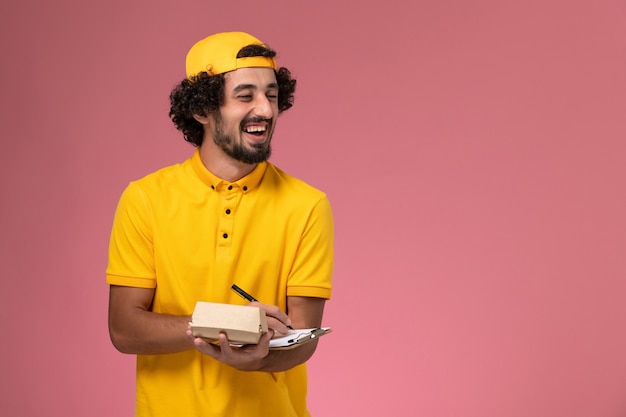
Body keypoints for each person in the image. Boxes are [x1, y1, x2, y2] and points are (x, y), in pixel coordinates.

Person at [106, 31, 334, 417]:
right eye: (245, 96)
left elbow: (304, 339)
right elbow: (124, 329)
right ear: (202, 109)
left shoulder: (308, 205)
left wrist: (259, 359)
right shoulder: (145, 198)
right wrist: (227, 323)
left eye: (272, 95)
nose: (265, 109)